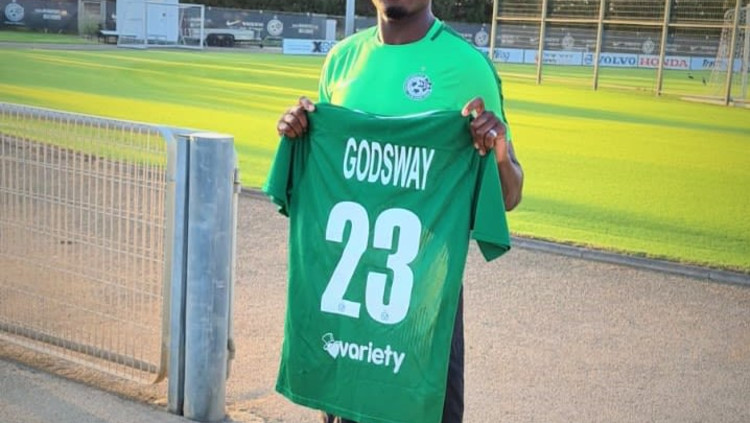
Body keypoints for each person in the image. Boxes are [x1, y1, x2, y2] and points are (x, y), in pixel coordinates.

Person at [274, 1, 524, 422]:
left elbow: (509, 196)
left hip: (425, 304)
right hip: (345, 304)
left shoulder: (467, 67)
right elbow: (324, 173)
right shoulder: (341, 60)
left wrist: (498, 152)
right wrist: (298, 133)